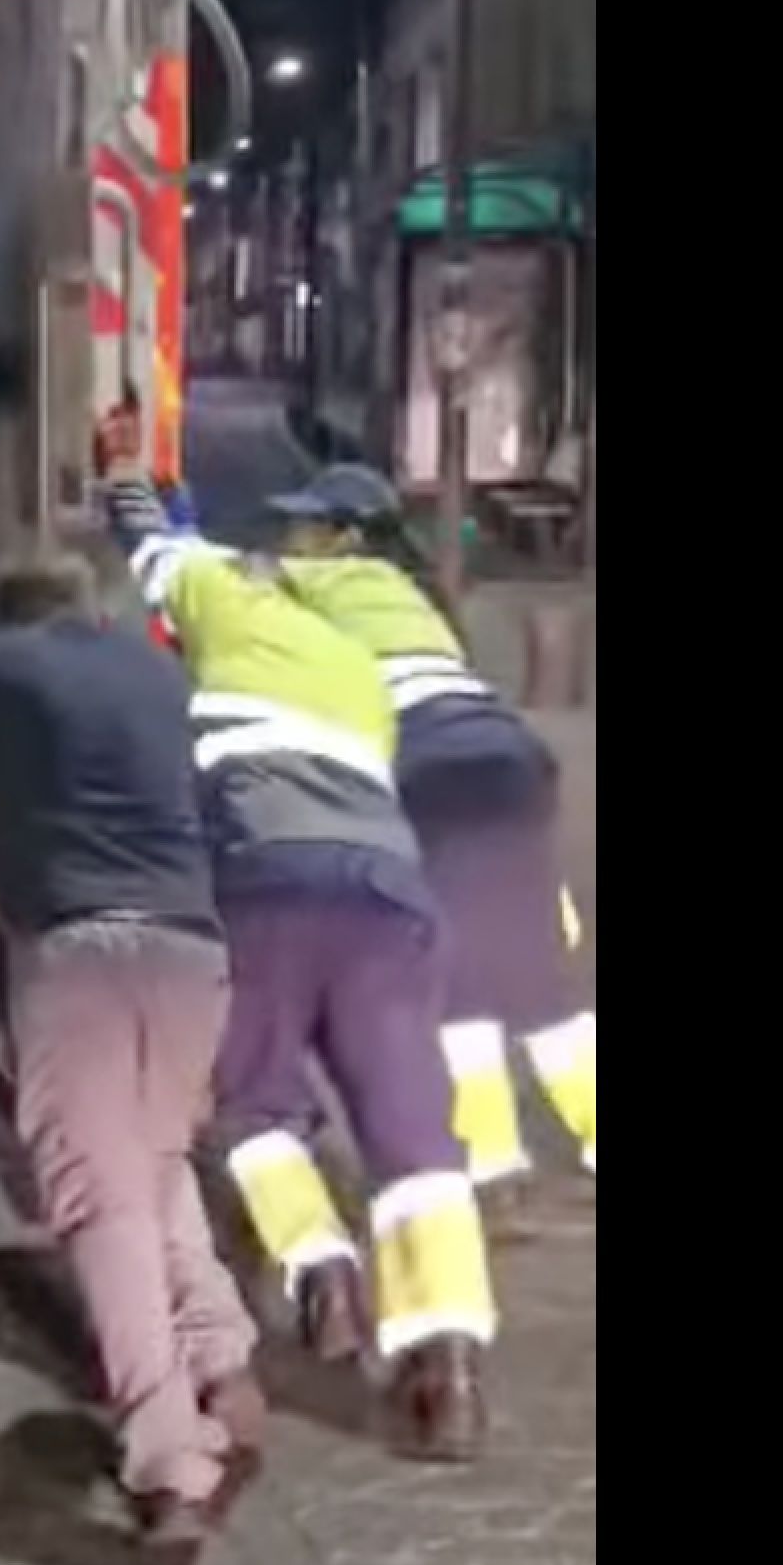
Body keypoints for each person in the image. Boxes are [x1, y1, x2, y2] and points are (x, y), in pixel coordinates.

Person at [103, 448, 494, 1462]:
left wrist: (119, 469)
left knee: (250, 1102)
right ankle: (446, 1366)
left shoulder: (227, 602)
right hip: (389, 897)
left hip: (266, 883)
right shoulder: (356, 672)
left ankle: (319, 1267)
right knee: (412, 1135)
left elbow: (150, 541)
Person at [0, 549, 268, 1547]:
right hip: (187, 945)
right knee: (152, 1154)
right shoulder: (160, 670)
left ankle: (171, 1457)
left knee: (97, 1197)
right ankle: (222, 1353)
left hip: (75, 948)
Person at [268, 465, 595, 1184]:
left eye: (306, 524)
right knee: (530, 971)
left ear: (346, 536)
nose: (291, 535)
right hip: (510, 761)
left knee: (454, 977)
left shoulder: (313, 595)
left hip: (430, 775)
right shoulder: (423, 600)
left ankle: (492, 1161)